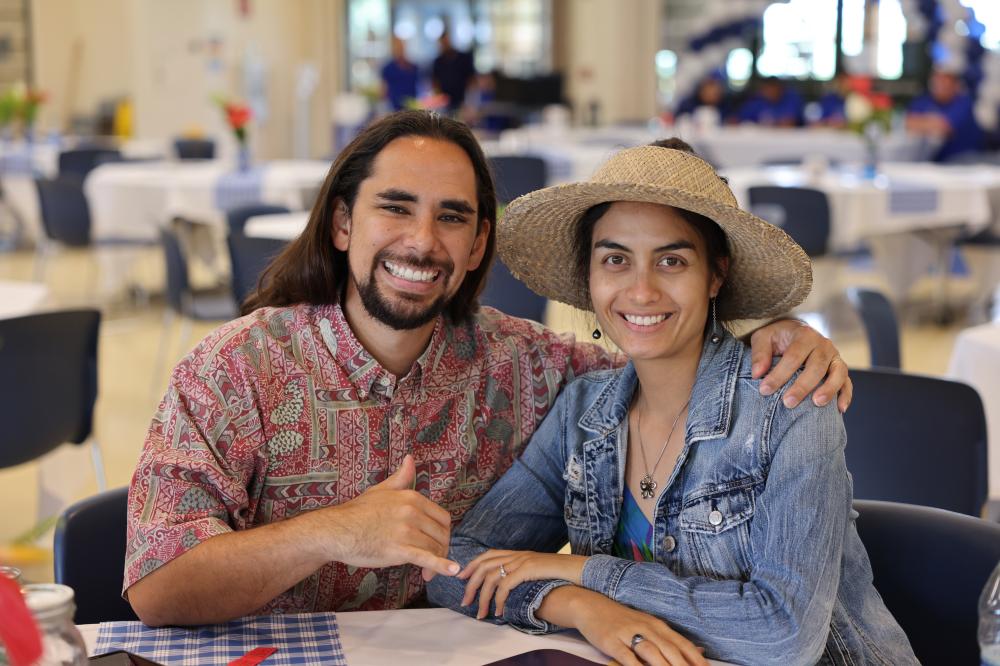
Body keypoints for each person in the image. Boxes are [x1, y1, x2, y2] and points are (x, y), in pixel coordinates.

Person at [124, 111, 851, 627]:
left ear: (477, 245)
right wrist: (330, 533)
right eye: (395, 209)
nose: (421, 241)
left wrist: (768, 330)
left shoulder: (530, 367)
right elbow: (155, 588)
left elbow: (661, 350)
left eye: (451, 217)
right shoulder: (233, 371)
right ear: (342, 224)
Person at [428, 139, 915, 664]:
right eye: (616, 259)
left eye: (671, 261)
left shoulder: (788, 406)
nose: (641, 291)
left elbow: (784, 636)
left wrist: (588, 572)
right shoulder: (582, 414)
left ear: (715, 274)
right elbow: (452, 568)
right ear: (590, 275)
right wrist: (582, 606)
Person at [906, 69, 984, 162]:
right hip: (933, 160)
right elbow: (909, 123)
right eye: (937, 80)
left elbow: (944, 126)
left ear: (955, 85)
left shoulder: (963, 102)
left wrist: (923, 122)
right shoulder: (924, 101)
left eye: (945, 81)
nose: (940, 84)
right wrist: (933, 123)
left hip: (963, 158)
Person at [431, 28, 476, 113]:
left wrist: (470, 101)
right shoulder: (438, 62)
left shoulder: (464, 59)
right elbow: (435, 82)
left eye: (446, 41)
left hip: (462, 100)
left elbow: (472, 80)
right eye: (442, 42)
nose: (445, 44)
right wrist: (438, 100)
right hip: (445, 103)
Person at [734, 77, 804, 127]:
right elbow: (738, 119)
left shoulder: (791, 99)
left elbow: (790, 121)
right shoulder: (756, 100)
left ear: (780, 89)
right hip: (759, 138)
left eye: (774, 89)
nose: (771, 92)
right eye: (768, 89)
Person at [380, 37, 419, 112]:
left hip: (411, 107)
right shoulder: (387, 69)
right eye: (396, 47)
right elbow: (383, 90)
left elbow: (419, 87)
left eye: (400, 46)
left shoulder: (413, 67)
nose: (398, 49)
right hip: (394, 108)